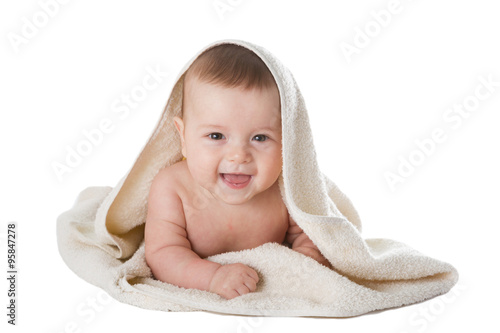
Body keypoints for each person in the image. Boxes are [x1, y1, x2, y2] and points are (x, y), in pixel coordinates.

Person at [145, 44, 329, 300]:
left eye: (260, 137)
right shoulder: (173, 189)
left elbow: (312, 236)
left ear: (287, 139)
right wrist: (212, 277)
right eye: (216, 135)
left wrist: (305, 261)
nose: (238, 155)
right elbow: (163, 253)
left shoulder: (286, 189)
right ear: (183, 137)